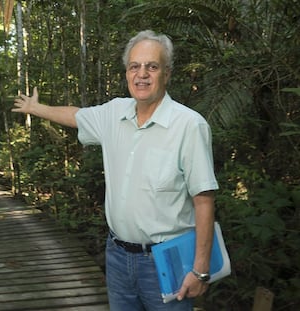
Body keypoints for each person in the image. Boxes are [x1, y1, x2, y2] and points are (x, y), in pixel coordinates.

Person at [12, 30, 219, 311]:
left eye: (152, 66)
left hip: (166, 260)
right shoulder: (115, 113)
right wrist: (37, 108)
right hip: (118, 257)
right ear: (126, 73)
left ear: (167, 74)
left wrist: (200, 270)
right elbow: (76, 116)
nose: (142, 74)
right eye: (134, 66)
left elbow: (204, 200)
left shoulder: (188, 125)